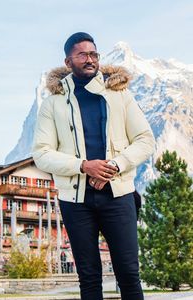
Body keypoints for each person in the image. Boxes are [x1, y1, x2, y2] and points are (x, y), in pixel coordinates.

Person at [32, 32, 155, 300]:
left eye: (94, 54)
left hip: (119, 196)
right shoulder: (52, 103)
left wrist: (112, 165)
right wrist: (84, 166)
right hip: (76, 202)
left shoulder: (119, 94)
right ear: (68, 61)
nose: (90, 59)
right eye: (83, 54)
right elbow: (41, 154)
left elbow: (145, 140)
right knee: (88, 278)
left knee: (129, 274)